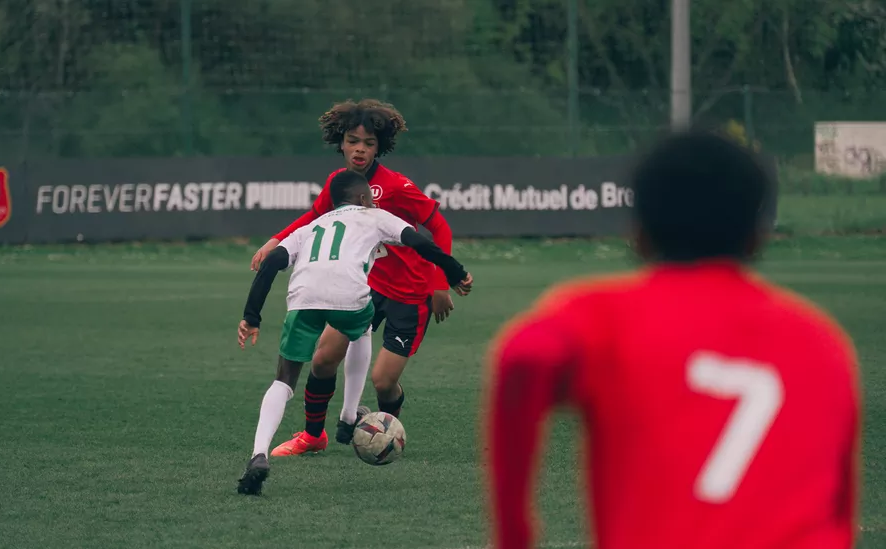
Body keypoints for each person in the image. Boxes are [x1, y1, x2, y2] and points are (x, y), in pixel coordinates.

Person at [484, 130, 861, 549]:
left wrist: (514, 534)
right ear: (758, 235)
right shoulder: (821, 343)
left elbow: (525, 356)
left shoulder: (606, 317)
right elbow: (839, 513)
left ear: (639, 233)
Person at [237, 169, 473, 496]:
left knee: (284, 380)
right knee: (361, 324)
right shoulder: (374, 216)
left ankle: (259, 454)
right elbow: (420, 242)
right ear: (364, 199)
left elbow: (271, 263)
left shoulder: (310, 227)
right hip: (350, 298)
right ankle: (348, 418)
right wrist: (455, 272)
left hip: (303, 300)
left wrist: (251, 317)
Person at [250, 99, 457, 456]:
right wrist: (275, 241)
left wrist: (440, 284)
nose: (360, 149)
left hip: (409, 292)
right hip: (365, 288)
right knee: (322, 359)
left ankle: (385, 437)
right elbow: (312, 218)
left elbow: (439, 227)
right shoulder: (339, 183)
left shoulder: (396, 186)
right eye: (353, 141)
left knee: (384, 382)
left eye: (368, 143)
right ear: (341, 143)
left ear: (379, 147)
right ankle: (313, 436)